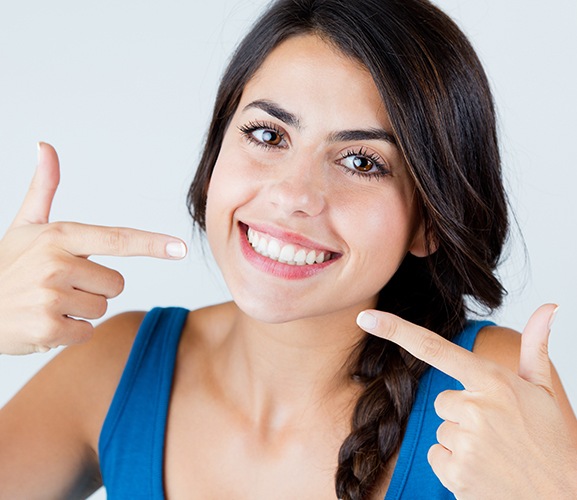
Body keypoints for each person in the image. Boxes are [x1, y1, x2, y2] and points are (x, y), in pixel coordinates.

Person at [0, 0, 576, 498]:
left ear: (429, 220)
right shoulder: (116, 368)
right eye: (268, 135)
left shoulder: (491, 391)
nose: (294, 196)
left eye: (361, 162)